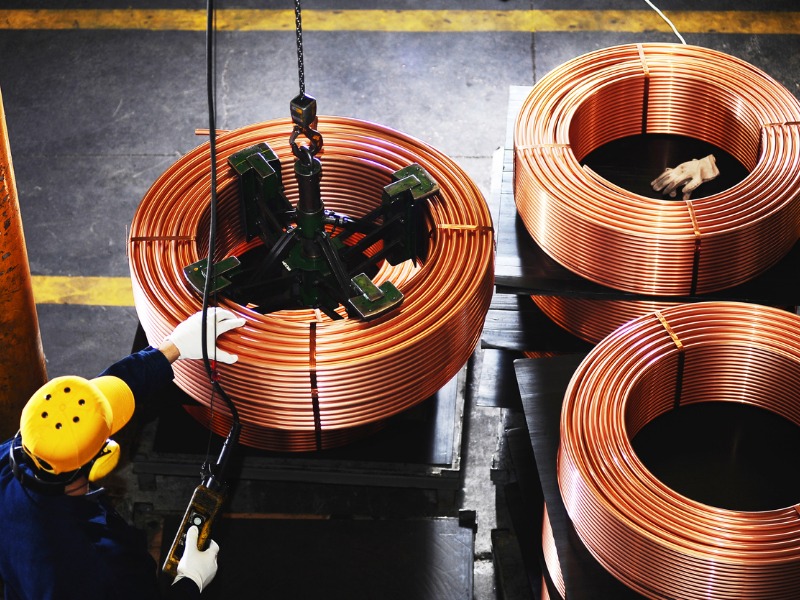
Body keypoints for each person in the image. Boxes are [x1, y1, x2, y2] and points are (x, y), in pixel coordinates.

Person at [0, 308, 246, 600]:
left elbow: (99, 397)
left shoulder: (12, 454)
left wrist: (173, 346)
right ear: (103, 460)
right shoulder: (93, 565)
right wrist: (190, 582)